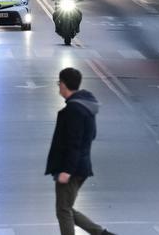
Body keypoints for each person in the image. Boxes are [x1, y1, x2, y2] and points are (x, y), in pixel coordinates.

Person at [45, 67, 112, 235]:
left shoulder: (73, 110)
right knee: (65, 208)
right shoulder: (85, 106)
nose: (58, 86)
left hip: (71, 168)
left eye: (59, 82)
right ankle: (102, 234)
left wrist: (67, 170)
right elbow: (91, 135)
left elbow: (73, 143)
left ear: (64, 84)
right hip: (81, 165)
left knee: (63, 211)